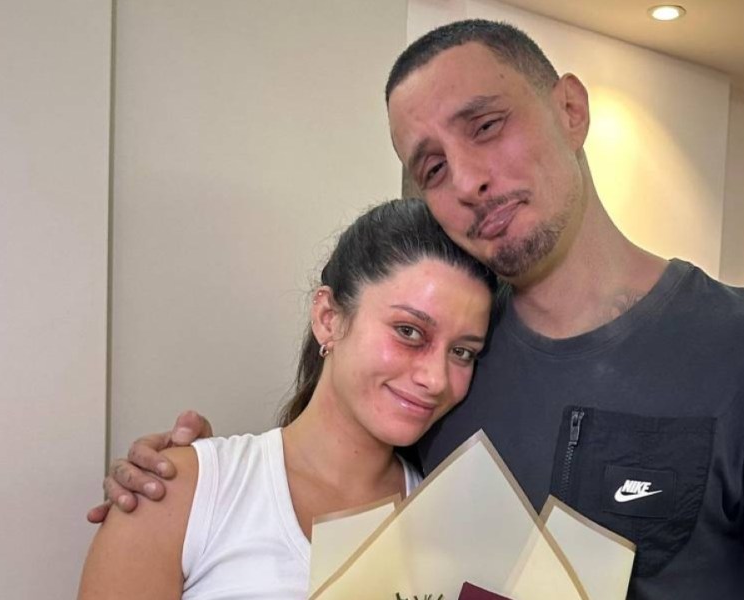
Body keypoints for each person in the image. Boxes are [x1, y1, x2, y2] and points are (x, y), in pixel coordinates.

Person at [91, 20, 744, 599]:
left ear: (570, 109)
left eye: (487, 125)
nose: (469, 178)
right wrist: (185, 480)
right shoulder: (443, 378)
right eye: (432, 167)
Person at [77, 198, 495, 598]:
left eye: (462, 352)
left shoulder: (448, 525)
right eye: (409, 332)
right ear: (328, 318)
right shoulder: (181, 492)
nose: (435, 379)